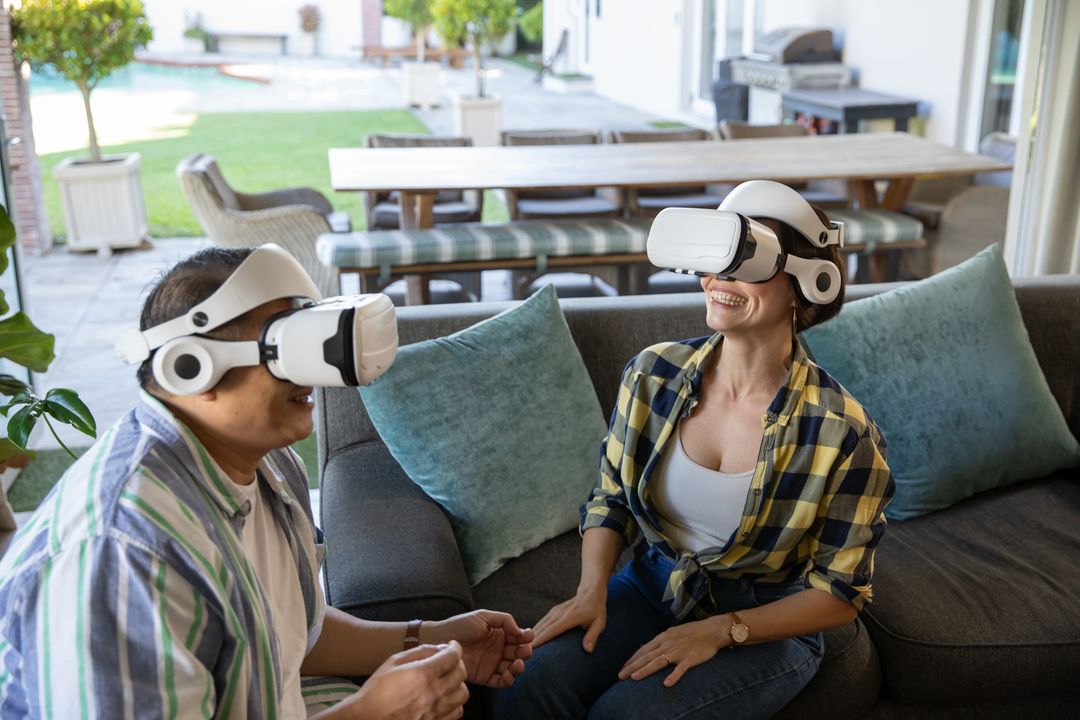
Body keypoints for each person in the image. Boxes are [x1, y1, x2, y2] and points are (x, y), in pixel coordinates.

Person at [0, 246, 532, 719]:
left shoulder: (273, 467)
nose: (315, 372)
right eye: (287, 347)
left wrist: (429, 636)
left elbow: (287, 634)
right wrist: (370, 713)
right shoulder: (122, 552)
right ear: (193, 368)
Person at [497, 181, 894, 719]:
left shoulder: (842, 432)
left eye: (747, 263)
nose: (719, 280)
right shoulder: (652, 375)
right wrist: (592, 589)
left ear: (808, 283)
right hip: (651, 584)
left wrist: (723, 631)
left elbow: (840, 592)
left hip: (766, 620)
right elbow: (610, 498)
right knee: (528, 684)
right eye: (716, 260)